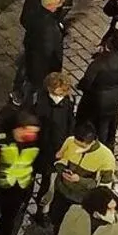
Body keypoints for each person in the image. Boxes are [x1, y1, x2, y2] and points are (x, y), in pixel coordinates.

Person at [0, 113, 41, 235]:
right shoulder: (1, 140)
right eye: (30, 131)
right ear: (19, 128)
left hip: (18, 190)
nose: (33, 135)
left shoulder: (34, 143)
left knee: (8, 223)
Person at [50, 124, 118, 228]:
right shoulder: (70, 141)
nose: (77, 149)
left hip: (82, 200)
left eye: (82, 146)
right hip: (62, 192)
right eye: (76, 144)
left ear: (93, 141)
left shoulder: (106, 158)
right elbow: (59, 159)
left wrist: (79, 180)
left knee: (74, 227)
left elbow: (103, 187)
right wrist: (62, 169)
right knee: (56, 221)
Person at [77, 33, 118, 148]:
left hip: (97, 98)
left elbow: (87, 81)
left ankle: (97, 146)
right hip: (115, 98)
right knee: (109, 122)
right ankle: (108, 143)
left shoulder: (100, 62)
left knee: (95, 124)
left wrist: (85, 89)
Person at [31, 73, 74, 218]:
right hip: (39, 148)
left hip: (56, 149)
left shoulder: (67, 102)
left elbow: (70, 123)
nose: (62, 93)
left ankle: (41, 210)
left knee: (47, 182)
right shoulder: (40, 102)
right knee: (30, 177)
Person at [12, 0, 64, 106]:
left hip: (31, 53)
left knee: (25, 74)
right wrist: (56, 70)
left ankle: (18, 91)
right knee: (34, 86)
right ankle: (26, 103)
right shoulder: (50, 28)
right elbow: (51, 52)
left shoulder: (36, 15)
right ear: (51, 7)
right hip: (40, 64)